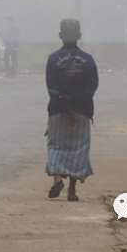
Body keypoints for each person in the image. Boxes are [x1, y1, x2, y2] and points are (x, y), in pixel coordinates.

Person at [45, 18, 99, 202]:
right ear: (79, 36)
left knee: (56, 147)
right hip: (82, 110)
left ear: (60, 36)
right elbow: (92, 86)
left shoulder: (53, 59)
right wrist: (78, 102)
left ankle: (57, 179)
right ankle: (72, 190)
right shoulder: (88, 60)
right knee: (79, 149)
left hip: (58, 110)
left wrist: (64, 102)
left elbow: (51, 87)